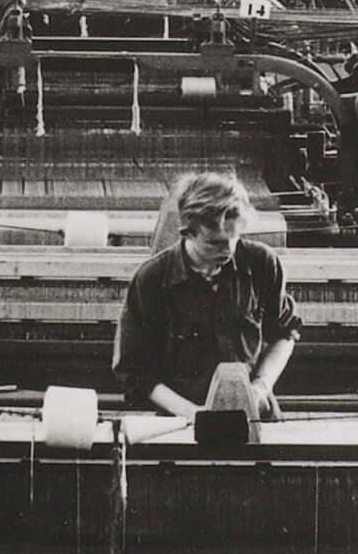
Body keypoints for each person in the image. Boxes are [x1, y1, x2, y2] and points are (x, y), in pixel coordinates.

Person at [113, 170, 299, 418]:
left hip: (253, 414)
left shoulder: (262, 263)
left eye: (234, 238)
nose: (228, 250)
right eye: (214, 243)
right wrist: (193, 414)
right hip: (179, 421)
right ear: (187, 232)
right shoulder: (152, 279)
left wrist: (260, 388)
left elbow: (285, 332)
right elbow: (134, 370)